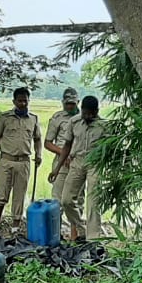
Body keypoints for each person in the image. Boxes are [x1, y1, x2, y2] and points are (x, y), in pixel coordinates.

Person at [0, 87, 41, 231]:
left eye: (25, 101)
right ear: (14, 101)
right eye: (19, 101)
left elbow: (38, 139)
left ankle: (15, 229)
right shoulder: (5, 118)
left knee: (19, 197)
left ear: (28, 101)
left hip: (24, 162)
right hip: (6, 161)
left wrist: (39, 154)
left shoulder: (33, 119)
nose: (22, 104)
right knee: (1, 195)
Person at [51, 95, 107, 241]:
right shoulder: (74, 122)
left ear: (96, 111)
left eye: (91, 113)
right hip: (77, 162)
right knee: (66, 200)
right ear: (81, 110)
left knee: (93, 201)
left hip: (95, 163)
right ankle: (81, 228)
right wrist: (57, 169)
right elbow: (67, 145)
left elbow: (111, 149)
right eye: (85, 112)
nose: (87, 116)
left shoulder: (104, 126)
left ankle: (93, 239)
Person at [45, 87, 82, 207]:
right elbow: (48, 143)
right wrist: (64, 154)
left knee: (77, 201)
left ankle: (74, 226)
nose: (70, 106)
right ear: (63, 103)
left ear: (78, 102)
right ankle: (56, 225)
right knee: (57, 200)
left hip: (79, 162)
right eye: (67, 104)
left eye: (73, 103)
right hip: (61, 163)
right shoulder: (57, 118)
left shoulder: (85, 117)